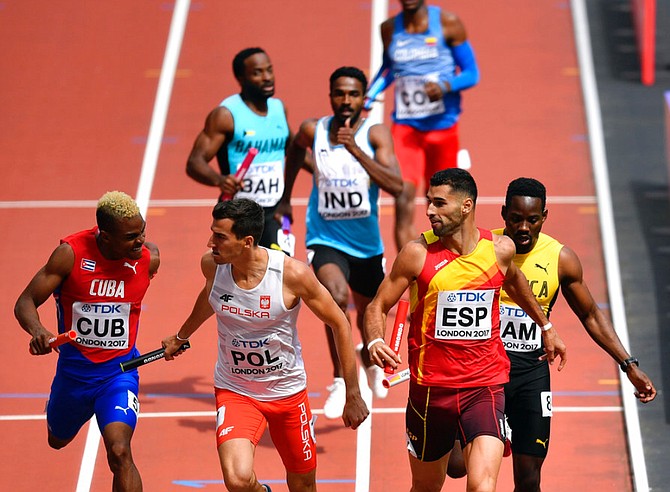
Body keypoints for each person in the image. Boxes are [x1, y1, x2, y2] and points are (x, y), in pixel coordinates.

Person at [446, 177, 657, 491]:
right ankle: (485, 430)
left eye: (532, 220)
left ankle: (504, 431)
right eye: (516, 219)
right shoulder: (482, 250)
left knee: (529, 479)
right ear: (504, 214)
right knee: (456, 467)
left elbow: (590, 315)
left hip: (532, 375)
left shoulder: (560, 258)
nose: (523, 228)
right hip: (486, 372)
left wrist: (629, 365)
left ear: (544, 216)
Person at [363, 169, 567, 492]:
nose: (429, 210)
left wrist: (546, 325)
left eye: (439, 203)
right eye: (429, 202)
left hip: (484, 387)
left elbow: (515, 281)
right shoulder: (417, 254)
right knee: (427, 486)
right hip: (430, 392)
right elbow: (377, 305)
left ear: (466, 206)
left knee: (482, 487)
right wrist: (375, 338)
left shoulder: (499, 250)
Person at [161, 198, 369, 492]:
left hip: (287, 393)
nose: (210, 242)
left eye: (220, 237)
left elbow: (340, 323)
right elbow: (211, 298)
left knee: (303, 485)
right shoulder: (213, 266)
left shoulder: (290, 275)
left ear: (246, 242)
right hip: (236, 390)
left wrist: (353, 393)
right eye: (212, 233)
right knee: (238, 479)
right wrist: (181, 336)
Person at [276, 66, 403, 419]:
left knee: (368, 313)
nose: (345, 101)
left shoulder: (374, 134)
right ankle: (340, 380)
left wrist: (356, 152)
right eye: (339, 93)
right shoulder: (312, 130)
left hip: (366, 244)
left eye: (353, 94)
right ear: (330, 95)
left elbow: (396, 185)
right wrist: (286, 197)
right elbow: (293, 151)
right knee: (336, 297)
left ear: (364, 99)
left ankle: (370, 361)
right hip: (325, 237)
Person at [14, 191, 160, 492]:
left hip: (119, 372)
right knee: (57, 440)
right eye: (131, 236)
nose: (140, 241)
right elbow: (25, 301)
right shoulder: (71, 254)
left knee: (120, 452)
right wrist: (38, 331)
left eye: (142, 231)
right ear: (104, 237)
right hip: (74, 374)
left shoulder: (149, 259)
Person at [365, 0, 480, 251]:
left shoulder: (448, 23)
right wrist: (369, 95)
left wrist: (445, 86)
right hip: (406, 130)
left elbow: (472, 72)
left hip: (443, 129)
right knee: (403, 195)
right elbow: (389, 69)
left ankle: (450, 262)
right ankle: (412, 271)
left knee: (447, 201)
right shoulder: (389, 29)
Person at [186, 47, 295, 254]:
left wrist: (323, 169)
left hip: (272, 211)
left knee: (280, 271)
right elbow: (194, 162)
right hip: (238, 213)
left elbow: (294, 151)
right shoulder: (226, 115)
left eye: (269, 70)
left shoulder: (279, 109)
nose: (267, 77)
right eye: (257, 72)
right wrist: (219, 180)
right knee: (236, 277)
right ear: (240, 77)